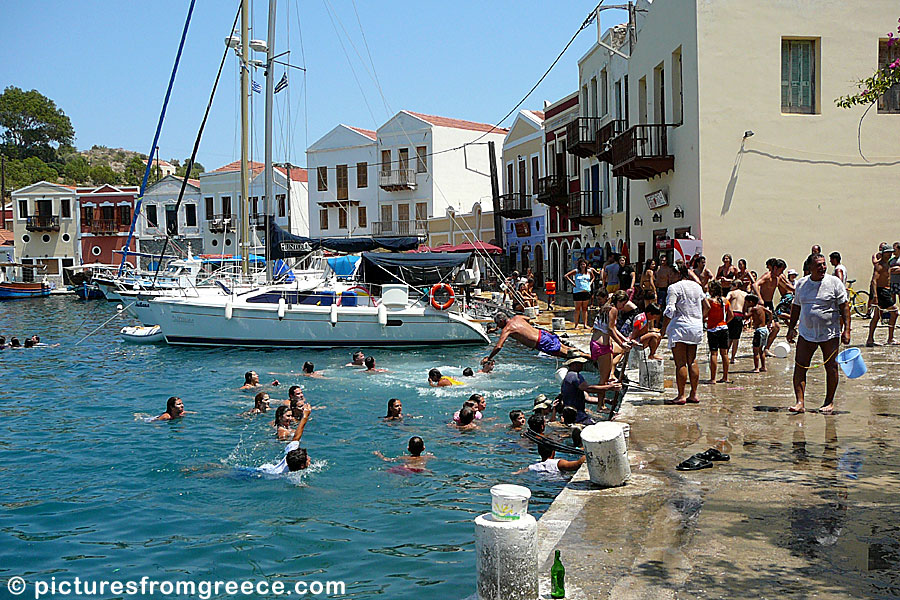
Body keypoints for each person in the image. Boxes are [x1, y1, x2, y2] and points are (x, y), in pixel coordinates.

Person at [787, 253, 851, 414]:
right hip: (806, 333)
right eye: (818, 265)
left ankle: (829, 402)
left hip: (830, 334)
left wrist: (847, 330)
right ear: (810, 268)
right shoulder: (801, 284)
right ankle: (800, 402)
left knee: (832, 367)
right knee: (800, 366)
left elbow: (844, 307)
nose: (822, 267)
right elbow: (796, 307)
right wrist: (790, 328)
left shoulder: (834, 282)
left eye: (824, 264)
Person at [659, 262, 709, 405]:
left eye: (671, 273)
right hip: (696, 327)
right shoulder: (696, 286)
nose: (669, 276)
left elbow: (670, 310)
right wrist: (699, 319)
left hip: (680, 327)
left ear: (678, 274)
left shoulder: (674, 288)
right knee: (692, 360)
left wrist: (663, 330)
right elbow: (707, 306)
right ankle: (693, 394)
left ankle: (681, 395)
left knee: (680, 363)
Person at [484, 313, 586, 364]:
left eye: (498, 323)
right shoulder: (517, 318)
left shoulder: (507, 329)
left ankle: (589, 357)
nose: (498, 326)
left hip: (540, 342)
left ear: (502, 321)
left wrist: (489, 358)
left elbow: (498, 347)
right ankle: (589, 356)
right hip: (543, 334)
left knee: (567, 355)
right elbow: (528, 319)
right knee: (568, 349)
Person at [560, 356, 623, 423]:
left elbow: (587, 398)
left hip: (573, 416)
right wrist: (609, 387)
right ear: (574, 364)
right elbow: (588, 388)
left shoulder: (569, 377)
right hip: (577, 416)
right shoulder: (574, 376)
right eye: (580, 363)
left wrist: (606, 401)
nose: (582, 365)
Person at [591, 291, 634, 385]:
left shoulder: (606, 308)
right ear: (618, 301)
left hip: (597, 343)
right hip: (601, 346)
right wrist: (621, 344)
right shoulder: (613, 309)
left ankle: (603, 397)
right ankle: (600, 400)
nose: (623, 307)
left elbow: (613, 328)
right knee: (603, 380)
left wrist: (625, 339)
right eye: (622, 304)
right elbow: (610, 330)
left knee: (606, 377)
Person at [257, 403, 312, 474]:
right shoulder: (291, 476)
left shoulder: (292, 457)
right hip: (266, 473)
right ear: (302, 466)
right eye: (307, 459)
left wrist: (305, 416)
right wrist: (305, 416)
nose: (309, 459)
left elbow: (296, 438)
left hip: (267, 468)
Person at [753, 258, 793, 354]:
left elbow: (787, 287)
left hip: (770, 304)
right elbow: (755, 284)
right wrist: (760, 298)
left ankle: (766, 348)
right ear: (775, 268)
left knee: (776, 327)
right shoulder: (767, 276)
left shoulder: (778, 278)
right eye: (781, 270)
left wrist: (798, 291)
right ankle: (759, 349)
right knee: (764, 328)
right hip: (763, 304)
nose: (782, 272)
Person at [866, 243, 898, 346]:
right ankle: (890, 338)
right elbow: (874, 281)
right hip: (882, 291)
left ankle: (870, 339)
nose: (889, 255)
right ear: (883, 254)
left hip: (886, 290)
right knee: (895, 312)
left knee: (876, 316)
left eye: (890, 253)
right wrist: (875, 296)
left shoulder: (888, 264)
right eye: (887, 253)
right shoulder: (879, 265)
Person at [520, 443, 585, 476]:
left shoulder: (534, 466)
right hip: (559, 483)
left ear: (539, 452)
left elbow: (518, 472)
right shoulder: (558, 463)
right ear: (553, 452)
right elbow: (577, 464)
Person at [565, 258, 594, 329]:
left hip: (586, 291)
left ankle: (585, 324)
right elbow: (566, 276)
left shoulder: (589, 272)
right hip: (577, 292)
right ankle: (576, 325)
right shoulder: (576, 271)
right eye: (581, 264)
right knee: (577, 309)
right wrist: (573, 283)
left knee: (585, 309)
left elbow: (593, 277)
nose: (583, 266)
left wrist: (590, 283)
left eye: (584, 264)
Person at [744, 294, 771, 373]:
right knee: (761, 350)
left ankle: (756, 368)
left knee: (755, 350)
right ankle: (763, 367)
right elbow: (770, 312)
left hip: (759, 331)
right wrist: (769, 322)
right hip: (765, 329)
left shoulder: (753, 309)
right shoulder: (761, 307)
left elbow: (746, 316)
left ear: (751, 302)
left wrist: (745, 308)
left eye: (747, 302)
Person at [725, 279, 749, 364]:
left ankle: (725, 356)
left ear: (735, 286)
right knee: (736, 338)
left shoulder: (731, 293)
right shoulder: (745, 294)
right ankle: (732, 358)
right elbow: (746, 306)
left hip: (731, 314)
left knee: (729, 337)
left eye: (732, 285)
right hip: (739, 316)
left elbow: (725, 301)